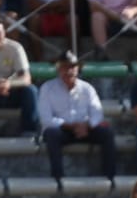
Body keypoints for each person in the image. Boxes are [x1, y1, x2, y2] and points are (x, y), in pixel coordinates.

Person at [39, 52, 117, 181]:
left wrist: (87, 125)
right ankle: (58, 178)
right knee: (51, 134)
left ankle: (109, 176)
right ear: (58, 69)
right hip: (62, 130)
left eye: (72, 67)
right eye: (64, 67)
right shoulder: (47, 88)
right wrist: (69, 126)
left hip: (85, 129)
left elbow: (97, 113)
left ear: (77, 69)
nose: (68, 71)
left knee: (107, 133)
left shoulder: (87, 88)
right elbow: (46, 118)